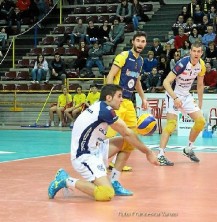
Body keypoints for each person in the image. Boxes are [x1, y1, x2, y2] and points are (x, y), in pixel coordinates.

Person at [48, 84, 158, 201]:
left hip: (95, 148)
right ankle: (65, 180)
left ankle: (114, 181)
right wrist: (148, 152)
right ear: (109, 98)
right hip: (84, 156)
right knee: (106, 193)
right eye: (119, 96)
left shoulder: (100, 107)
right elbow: (126, 132)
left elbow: (128, 134)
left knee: (128, 143)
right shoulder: (104, 110)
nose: (122, 99)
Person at [105, 31, 148, 194]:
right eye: (138, 40)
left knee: (131, 139)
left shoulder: (141, 61)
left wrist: (143, 98)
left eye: (143, 41)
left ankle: (115, 180)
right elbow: (110, 76)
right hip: (118, 101)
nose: (140, 44)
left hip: (129, 102)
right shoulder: (123, 56)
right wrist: (109, 99)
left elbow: (136, 81)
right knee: (109, 137)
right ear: (133, 42)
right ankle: (97, 169)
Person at [157, 42, 206, 166]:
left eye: (198, 51)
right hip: (173, 94)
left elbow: (200, 85)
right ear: (190, 51)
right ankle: (160, 155)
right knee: (171, 125)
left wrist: (200, 103)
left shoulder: (201, 65)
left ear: (202, 53)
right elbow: (166, 82)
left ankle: (188, 149)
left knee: (201, 121)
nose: (196, 54)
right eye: (194, 51)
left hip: (186, 95)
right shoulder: (182, 64)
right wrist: (175, 98)